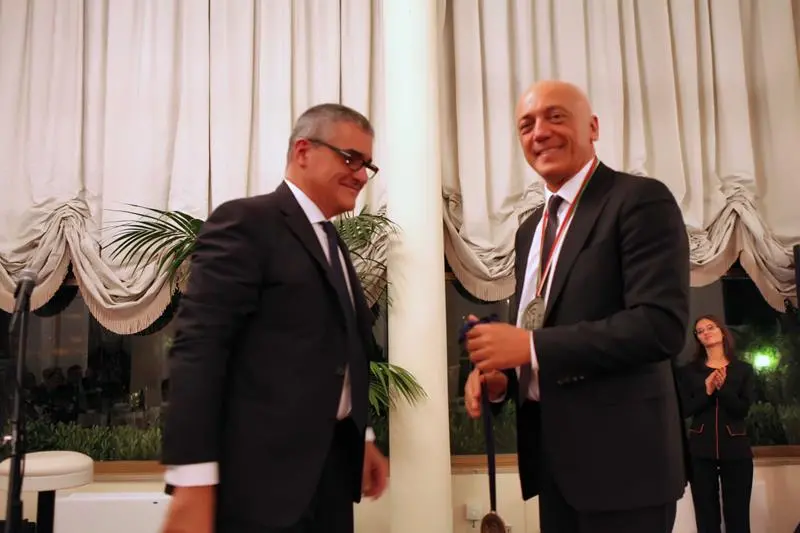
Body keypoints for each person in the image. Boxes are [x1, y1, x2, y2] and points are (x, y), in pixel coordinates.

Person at [463, 80, 690, 532]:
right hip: (554, 468)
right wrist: (503, 379)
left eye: (556, 117)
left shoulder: (638, 200)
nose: (539, 132)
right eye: (526, 125)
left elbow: (660, 326)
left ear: (593, 128)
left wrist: (529, 347)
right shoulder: (529, 230)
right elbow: (543, 330)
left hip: (626, 471)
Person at [159, 103, 389, 533]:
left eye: (367, 165)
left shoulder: (332, 241)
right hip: (260, 488)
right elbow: (199, 350)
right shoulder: (246, 223)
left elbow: (347, 349)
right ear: (303, 152)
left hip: (330, 477)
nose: (361, 175)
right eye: (350, 159)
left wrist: (364, 437)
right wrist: (192, 479)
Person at [678, 315, 755, 533]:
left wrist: (724, 389)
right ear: (698, 338)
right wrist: (707, 390)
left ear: (722, 331)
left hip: (736, 450)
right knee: (706, 515)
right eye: (700, 331)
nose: (706, 333)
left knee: (738, 515)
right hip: (701, 451)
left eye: (710, 327)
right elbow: (685, 409)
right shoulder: (689, 371)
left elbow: (742, 410)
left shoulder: (743, 369)